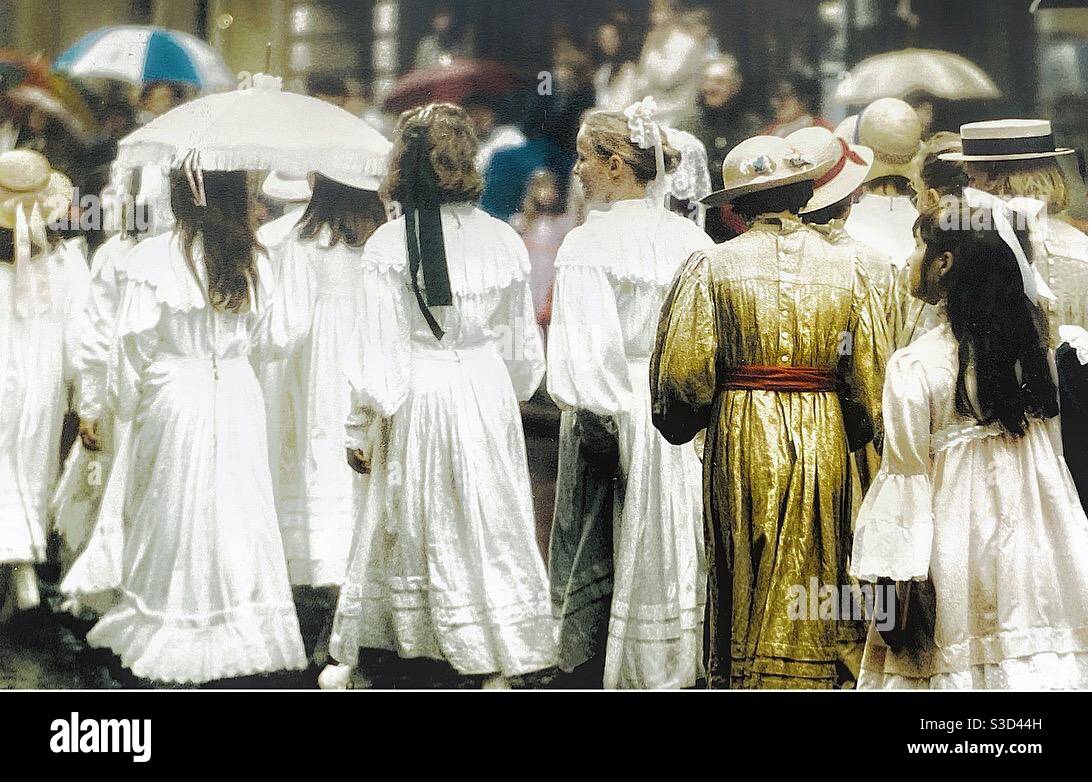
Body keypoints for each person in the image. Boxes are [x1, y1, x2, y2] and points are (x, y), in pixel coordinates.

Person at [323, 103, 556, 690]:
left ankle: (402, 648)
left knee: (412, 514)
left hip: (420, 389)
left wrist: (361, 424)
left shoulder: (387, 244)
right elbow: (522, 345)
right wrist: (506, 394)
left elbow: (376, 347)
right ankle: (495, 652)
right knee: (486, 517)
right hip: (483, 388)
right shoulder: (502, 238)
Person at [651, 134, 890, 688]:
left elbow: (683, 378)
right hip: (825, 429)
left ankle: (748, 675)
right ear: (805, 192)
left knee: (746, 556)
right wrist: (850, 427)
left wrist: (686, 422)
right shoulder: (849, 270)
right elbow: (869, 382)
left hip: (741, 427)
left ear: (735, 206)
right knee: (819, 557)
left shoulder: (711, 267)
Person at [850, 196, 1087, 690]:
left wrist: (890, 585)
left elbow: (904, 488)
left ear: (944, 262)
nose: (909, 259)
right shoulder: (1033, 354)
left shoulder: (916, 367)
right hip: (1038, 539)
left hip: (952, 540)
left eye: (917, 247)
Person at [85, 167, 308, 684]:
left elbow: (130, 347)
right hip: (236, 391)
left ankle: (171, 618)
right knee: (236, 507)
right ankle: (237, 618)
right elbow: (276, 341)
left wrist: (122, 405)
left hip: (173, 394)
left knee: (170, 505)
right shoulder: (253, 259)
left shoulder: (153, 258)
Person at [547, 107, 714, 688]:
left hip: (621, 406)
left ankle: (625, 666)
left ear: (615, 165)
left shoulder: (589, 244)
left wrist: (602, 416)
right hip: (682, 409)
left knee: (621, 533)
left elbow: (586, 355)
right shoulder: (692, 237)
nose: (576, 170)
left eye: (583, 157)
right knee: (671, 540)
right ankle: (675, 656)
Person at [267, 171, 387, 589]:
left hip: (321, 354)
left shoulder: (306, 239)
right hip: (370, 343)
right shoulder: (382, 237)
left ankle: (321, 555)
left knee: (317, 438)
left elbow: (289, 325)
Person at [0, 149, 89, 618]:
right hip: (42, 376)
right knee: (30, 460)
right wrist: (80, 391)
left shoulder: (63, 265)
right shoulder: (65, 263)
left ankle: (16, 564)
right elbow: (79, 338)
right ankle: (21, 563)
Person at [942, 118, 1088, 345]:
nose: (967, 189)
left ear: (991, 179)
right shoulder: (1083, 250)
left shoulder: (967, 250)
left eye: (971, 179)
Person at [508, 168, 575, 326]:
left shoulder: (561, 223)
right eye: (541, 187)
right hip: (531, 271)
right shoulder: (521, 221)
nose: (546, 192)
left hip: (550, 273)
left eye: (550, 187)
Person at [761, 72, 833, 138]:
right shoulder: (768, 133)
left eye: (782, 97)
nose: (774, 103)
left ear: (803, 100)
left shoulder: (825, 131)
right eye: (774, 96)